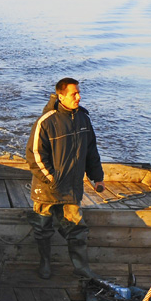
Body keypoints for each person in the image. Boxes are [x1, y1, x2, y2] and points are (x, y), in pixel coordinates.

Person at [25, 77, 105, 280]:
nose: (78, 97)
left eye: (78, 93)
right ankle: (45, 263)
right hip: (47, 189)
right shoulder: (46, 121)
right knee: (43, 227)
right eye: (73, 94)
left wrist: (97, 177)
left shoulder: (83, 119)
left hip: (72, 189)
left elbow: (91, 150)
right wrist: (52, 179)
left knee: (77, 229)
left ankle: (81, 267)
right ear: (61, 96)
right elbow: (34, 155)